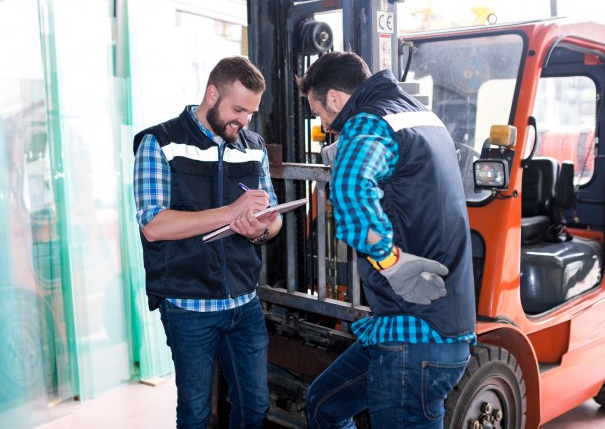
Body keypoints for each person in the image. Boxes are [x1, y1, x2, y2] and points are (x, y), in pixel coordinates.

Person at [297, 51, 476, 428]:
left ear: (334, 98)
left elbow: (352, 190)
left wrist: (390, 262)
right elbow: (403, 175)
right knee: (323, 405)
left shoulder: (368, 122)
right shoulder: (417, 114)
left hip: (414, 336)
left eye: (320, 114)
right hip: (437, 325)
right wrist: (342, 152)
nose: (326, 125)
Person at [132, 56, 282, 428]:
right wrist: (232, 212)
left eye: (251, 112)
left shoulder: (253, 146)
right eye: (238, 109)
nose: (244, 120)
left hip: (244, 304)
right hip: (188, 306)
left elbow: (273, 218)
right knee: (196, 413)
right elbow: (154, 224)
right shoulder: (159, 142)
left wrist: (259, 229)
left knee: (255, 407)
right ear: (212, 94)